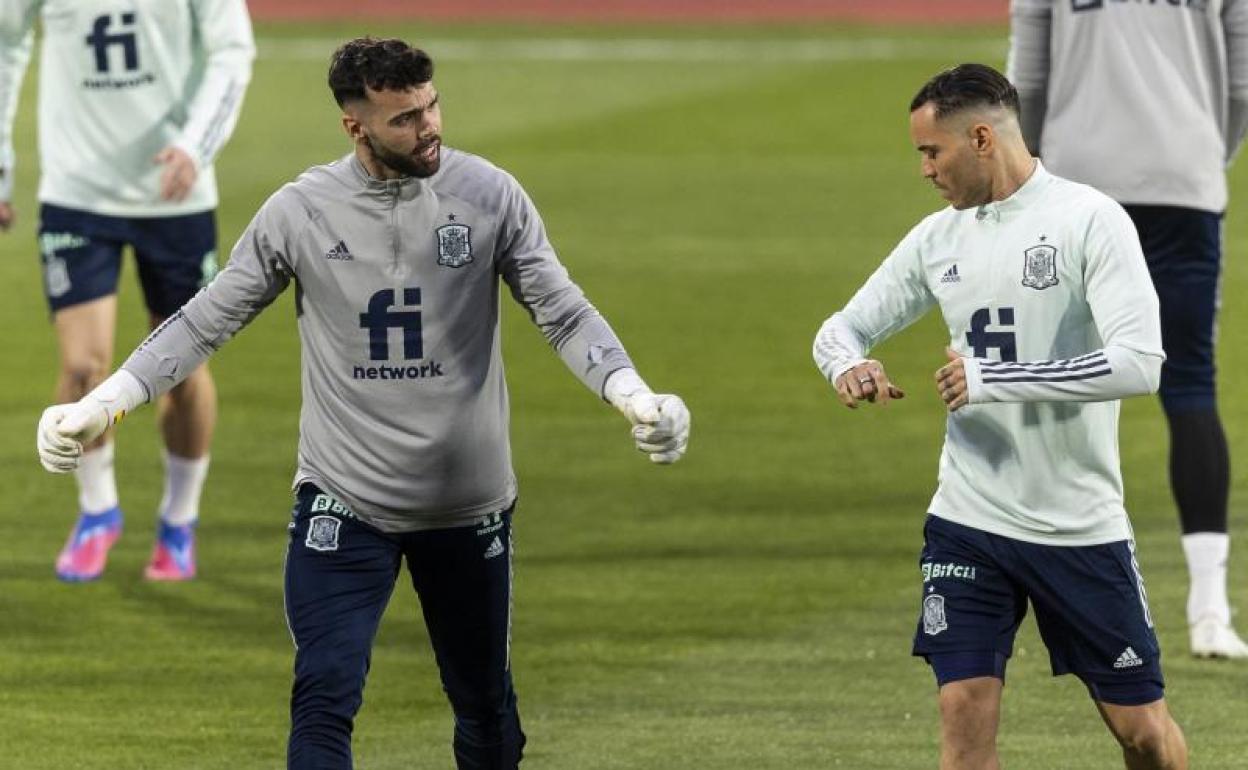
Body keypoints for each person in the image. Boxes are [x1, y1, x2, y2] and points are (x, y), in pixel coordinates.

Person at [37, 37, 691, 769]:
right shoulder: (301, 212)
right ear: (355, 127)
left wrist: (632, 393)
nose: (429, 126)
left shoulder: (490, 196)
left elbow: (563, 313)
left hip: (465, 502)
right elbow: (201, 322)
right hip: (343, 500)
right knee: (323, 697)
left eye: (431, 105)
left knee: (484, 707)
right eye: (404, 118)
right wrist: (105, 404)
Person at [813, 64, 1187, 769]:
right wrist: (848, 365)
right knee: (962, 717)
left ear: (982, 138)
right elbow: (840, 329)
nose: (925, 170)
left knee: (1143, 734)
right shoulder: (939, 239)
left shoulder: (1088, 220)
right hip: (969, 518)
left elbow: (1140, 363)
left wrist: (995, 379)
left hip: (1076, 524)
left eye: (933, 151)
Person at [1008, 0, 1248, 659]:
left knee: (1054, 377)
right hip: (1184, 181)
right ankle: (1209, 609)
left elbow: (1026, 83)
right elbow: (1241, 85)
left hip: (1076, 185)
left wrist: (1037, 176)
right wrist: (1200, 154)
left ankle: (1038, 598)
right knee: (1191, 385)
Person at [0, 0, 255, 582]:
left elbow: (232, 50)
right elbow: (5, 41)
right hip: (77, 191)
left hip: (176, 192)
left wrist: (196, 144)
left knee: (183, 372)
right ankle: (97, 513)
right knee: (82, 367)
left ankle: (178, 521)